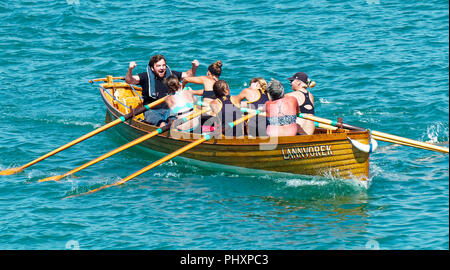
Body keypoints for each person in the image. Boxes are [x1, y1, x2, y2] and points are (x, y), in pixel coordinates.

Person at [125, 54, 199, 127]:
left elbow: (188, 75)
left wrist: (194, 67)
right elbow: (129, 80)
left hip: (169, 110)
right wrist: (130, 69)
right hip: (151, 111)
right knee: (162, 124)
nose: (162, 68)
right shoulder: (145, 76)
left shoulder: (171, 75)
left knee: (176, 123)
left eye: (163, 65)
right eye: (158, 66)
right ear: (152, 68)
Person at [182, 60, 223, 132]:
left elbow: (186, 79)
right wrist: (193, 92)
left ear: (208, 72)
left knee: (182, 126)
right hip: (217, 119)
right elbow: (207, 93)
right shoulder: (221, 85)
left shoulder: (206, 79)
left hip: (206, 118)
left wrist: (182, 88)